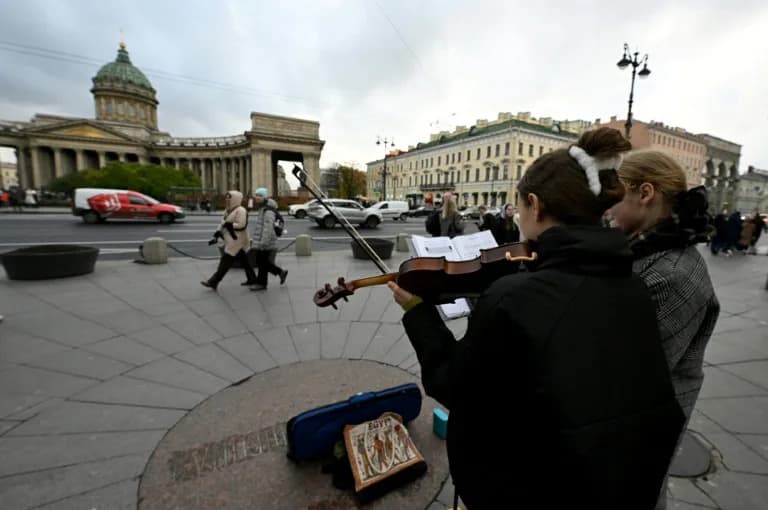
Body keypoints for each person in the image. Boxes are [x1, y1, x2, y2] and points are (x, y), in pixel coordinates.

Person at [387, 128, 684, 509]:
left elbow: (453, 384)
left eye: (521, 208)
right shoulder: (634, 286)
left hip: (529, 486)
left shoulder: (514, 297)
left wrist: (418, 313)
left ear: (535, 205)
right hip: (620, 481)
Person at [608, 151, 720, 510]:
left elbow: (626, 381)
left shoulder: (672, 275)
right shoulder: (648, 251)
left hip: (634, 442)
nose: (607, 210)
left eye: (614, 197)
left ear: (644, 193)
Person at [201, 190, 257, 291]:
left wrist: (229, 225)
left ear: (235, 199)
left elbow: (241, 225)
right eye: (226, 198)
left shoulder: (241, 210)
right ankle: (252, 279)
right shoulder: (228, 210)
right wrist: (216, 234)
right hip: (232, 239)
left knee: (225, 261)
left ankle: (213, 281)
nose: (227, 200)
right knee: (245, 261)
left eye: (229, 198)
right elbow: (222, 223)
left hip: (238, 239)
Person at [249, 187, 288, 291]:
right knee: (262, 261)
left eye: (260, 195)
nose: (257, 197)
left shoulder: (268, 210)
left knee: (261, 262)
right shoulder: (263, 208)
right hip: (264, 240)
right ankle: (280, 272)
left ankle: (262, 284)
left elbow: (268, 228)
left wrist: (263, 243)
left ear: (265, 197)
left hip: (266, 241)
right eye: (256, 195)